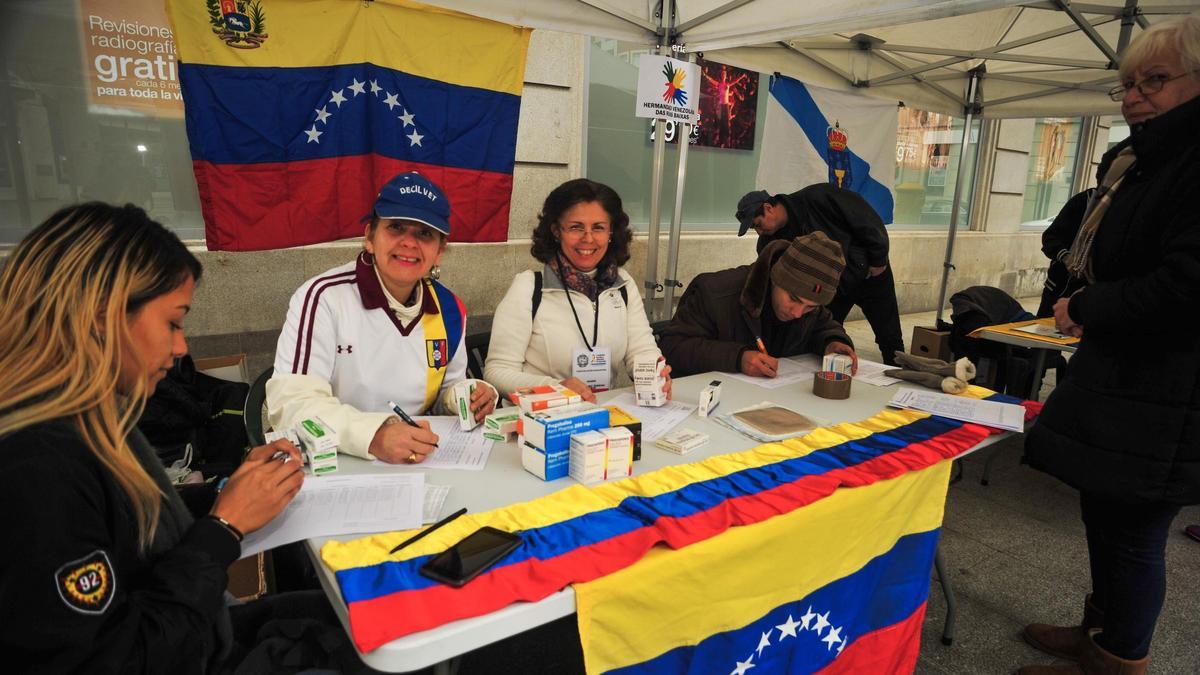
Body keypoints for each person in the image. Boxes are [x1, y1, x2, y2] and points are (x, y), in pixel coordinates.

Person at [0, 203, 307, 670]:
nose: (182, 347)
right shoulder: (35, 470)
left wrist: (230, 494)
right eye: (173, 322)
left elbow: (133, 534)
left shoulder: (90, 421)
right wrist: (224, 529)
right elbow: (118, 657)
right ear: (101, 316)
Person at [1021, 16, 1200, 675]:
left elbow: (1186, 284)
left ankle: (1119, 658)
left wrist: (1089, 305)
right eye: (1126, 83)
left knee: (1134, 535)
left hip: (1168, 390)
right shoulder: (1146, 162)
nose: (1133, 96)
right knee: (1106, 516)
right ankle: (1099, 630)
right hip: (1130, 380)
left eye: (1154, 80)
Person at [268, 172, 497, 465]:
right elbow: (291, 404)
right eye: (396, 228)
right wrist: (373, 435)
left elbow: (444, 391)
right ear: (370, 237)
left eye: (425, 233)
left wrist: (467, 396)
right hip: (335, 463)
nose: (409, 243)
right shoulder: (323, 297)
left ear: (440, 251)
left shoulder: (449, 308)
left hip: (416, 460)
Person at [486, 178, 670, 403]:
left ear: (611, 232)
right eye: (576, 227)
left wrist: (654, 373)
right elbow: (497, 372)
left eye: (599, 228)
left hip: (599, 415)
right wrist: (556, 388)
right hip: (539, 419)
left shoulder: (623, 285)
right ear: (556, 231)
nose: (588, 239)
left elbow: (641, 351)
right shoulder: (529, 287)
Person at [735, 183, 905, 365]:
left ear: (768, 208)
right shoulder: (768, 244)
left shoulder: (819, 197)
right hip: (829, 293)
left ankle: (901, 378)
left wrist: (878, 260)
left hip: (869, 275)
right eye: (755, 229)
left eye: (758, 225)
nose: (760, 232)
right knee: (827, 337)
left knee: (890, 337)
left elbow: (866, 220)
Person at [659, 231, 858, 378]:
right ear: (775, 278)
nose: (798, 313)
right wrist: (738, 358)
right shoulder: (714, 292)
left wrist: (833, 342)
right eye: (793, 299)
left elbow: (824, 326)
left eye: (810, 307)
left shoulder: (809, 304)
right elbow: (672, 348)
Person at [1037, 188, 1093, 318]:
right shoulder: (1083, 202)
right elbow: (1050, 238)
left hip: (1087, 293)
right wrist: (1066, 257)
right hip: (1059, 287)